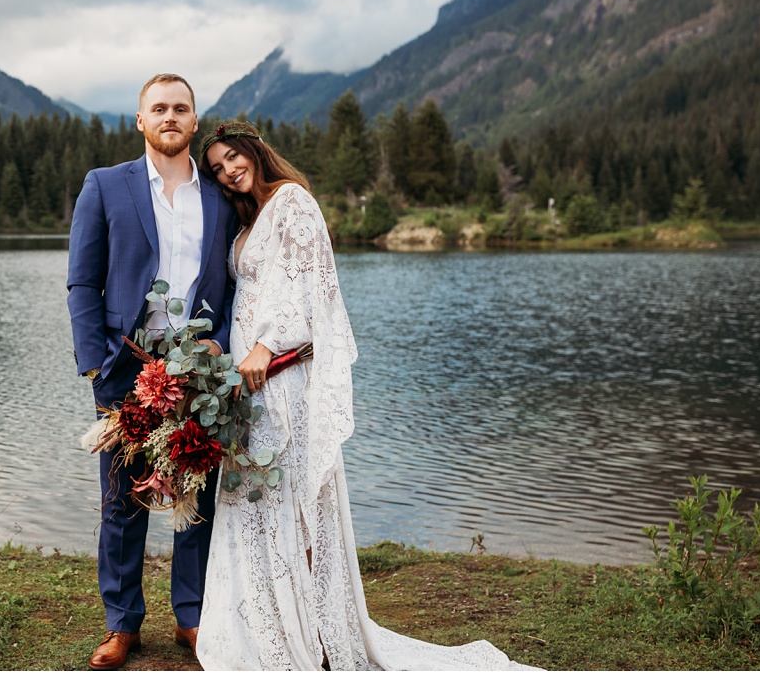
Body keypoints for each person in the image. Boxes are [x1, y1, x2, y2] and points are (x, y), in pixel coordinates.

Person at [194, 121, 537, 671]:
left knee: (292, 493)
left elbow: (306, 287)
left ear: (255, 152)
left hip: (279, 376)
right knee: (257, 494)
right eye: (217, 168)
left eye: (233, 158)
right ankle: (266, 622)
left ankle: (315, 631)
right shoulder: (248, 218)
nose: (228, 171)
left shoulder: (292, 201)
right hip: (244, 381)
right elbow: (254, 290)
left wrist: (264, 346)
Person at [67, 74, 238, 670]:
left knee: (195, 496)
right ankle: (123, 624)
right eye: (158, 108)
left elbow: (234, 285)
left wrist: (221, 347)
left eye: (181, 108)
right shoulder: (106, 186)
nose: (170, 116)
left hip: (199, 372)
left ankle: (191, 617)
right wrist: (93, 364)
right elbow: (83, 282)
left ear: (194, 121)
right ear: (140, 121)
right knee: (121, 502)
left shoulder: (220, 198)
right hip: (123, 369)